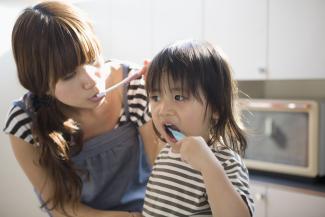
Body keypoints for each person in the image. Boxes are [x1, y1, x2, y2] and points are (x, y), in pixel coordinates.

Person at [3, 1, 159, 217]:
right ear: (41, 86)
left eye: (93, 60)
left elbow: (163, 174)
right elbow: (61, 208)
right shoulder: (23, 122)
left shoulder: (133, 85)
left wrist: (164, 102)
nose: (92, 81)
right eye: (68, 75)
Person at [142, 39, 255, 217]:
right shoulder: (165, 154)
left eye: (179, 97)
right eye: (156, 97)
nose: (162, 110)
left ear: (216, 108)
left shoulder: (224, 161)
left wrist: (208, 165)